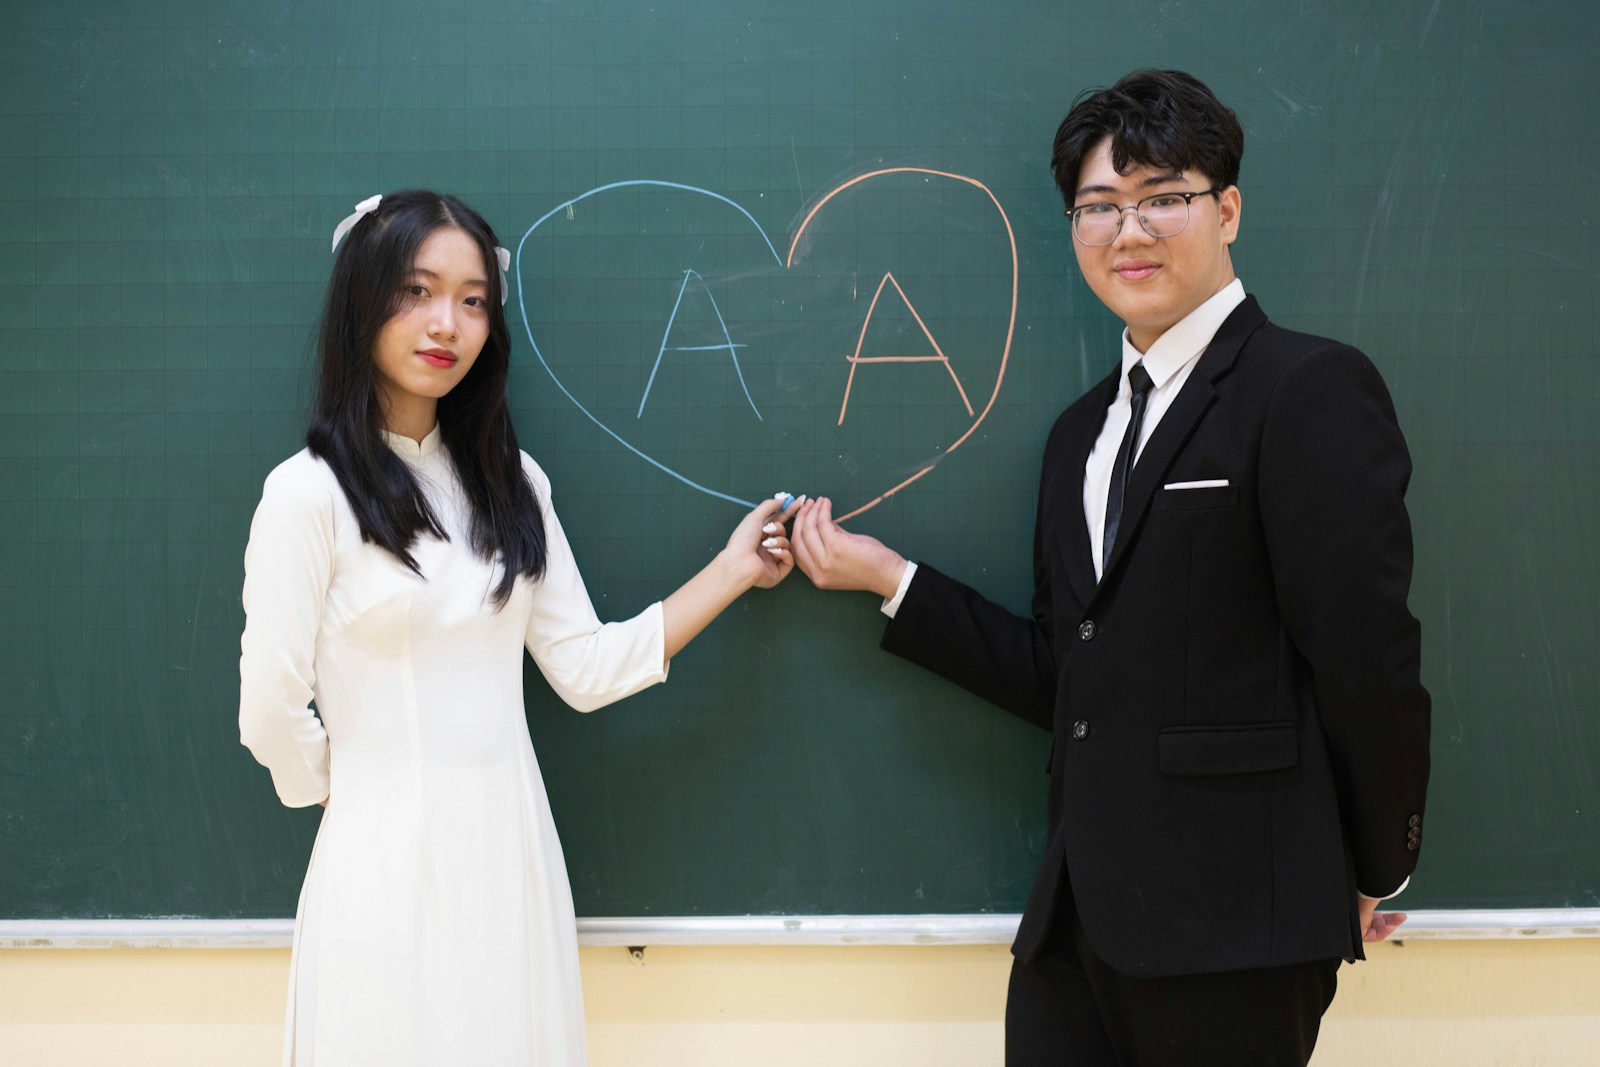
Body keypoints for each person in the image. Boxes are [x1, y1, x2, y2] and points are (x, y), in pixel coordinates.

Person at [790, 70, 1430, 1065]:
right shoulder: (1077, 435)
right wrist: (891, 581)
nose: (1128, 231)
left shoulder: (1305, 387)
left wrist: (1373, 863)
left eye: (1162, 198)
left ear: (1227, 210)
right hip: (1074, 925)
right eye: (1099, 206)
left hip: (1236, 925)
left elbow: (1366, 655)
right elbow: (1071, 673)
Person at [238, 189, 796, 1065]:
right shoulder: (307, 493)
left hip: (512, 859)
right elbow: (269, 710)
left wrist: (733, 570)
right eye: (416, 291)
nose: (447, 324)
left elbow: (585, 665)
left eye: (473, 301)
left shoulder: (512, 482)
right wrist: (350, 792)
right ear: (361, 299)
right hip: (380, 872)